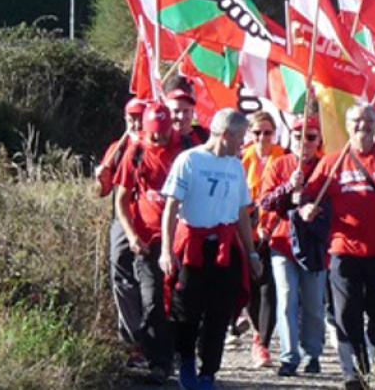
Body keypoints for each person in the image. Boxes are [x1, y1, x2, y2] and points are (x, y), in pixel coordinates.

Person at [298, 105, 375, 389]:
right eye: (356, 121)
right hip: (344, 250)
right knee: (345, 312)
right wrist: (305, 208)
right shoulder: (332, 162)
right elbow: (308, 195)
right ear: (347, 125)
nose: (363, 126)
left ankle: (373, 352)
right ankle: (353, 372)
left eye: (368, 120)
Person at [159, 109, 262, 390]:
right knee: (187, 311)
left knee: (220, 313)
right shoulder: (189, 161)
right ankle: (187, 362)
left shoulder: (236, 166)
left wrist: (251, 253)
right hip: (193, 246)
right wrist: (166, 251)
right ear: (226, 134)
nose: (243, 143)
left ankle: (208, 372)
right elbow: (171, 208)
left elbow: (242, 212)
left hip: (225, 248)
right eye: (240, 137)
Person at [114, 104, 182, 382]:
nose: (158, 140)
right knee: (151, 300)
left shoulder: (185, 150)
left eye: (163, 134)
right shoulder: (136, 152)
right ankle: (159, 362)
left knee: (180, 301)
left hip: (181, 239)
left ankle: (183, 354)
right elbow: (121, 199)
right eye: (153, 134)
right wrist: (131, 236)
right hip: (146, 239)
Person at [258, 117, 327, 376]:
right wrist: (289, 187)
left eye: (310, 137)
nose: (304, 143)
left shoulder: (325, 168)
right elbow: (264, 203)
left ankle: (313, 353)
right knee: (286, 298)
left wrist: (309, 203)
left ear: (319, 140)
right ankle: (289, 355)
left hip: (314, 245)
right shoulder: (279, 165)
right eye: (298, 137)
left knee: (313, 302)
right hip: (283, 242)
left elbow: (334, 205)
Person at [99, 98, 148, 368]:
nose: (136, 123)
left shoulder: (154, 145)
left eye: (140, 117)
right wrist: (100, 178)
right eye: (131, 118)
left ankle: (158, 341)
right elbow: (102, 191)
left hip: (150, 220)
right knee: (123, 276)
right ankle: (132, 342)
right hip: (122, 218)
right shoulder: (116, 149)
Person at [237, 112, 285, 368]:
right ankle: (254, 327)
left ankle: (262, 343)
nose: (262, 138)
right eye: (257, 133)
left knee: (269, 288)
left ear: (274, 133)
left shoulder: (284, 157)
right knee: (249, 289)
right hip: (246, 232)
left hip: (274, 231)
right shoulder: (242, 159)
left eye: (267, 132)